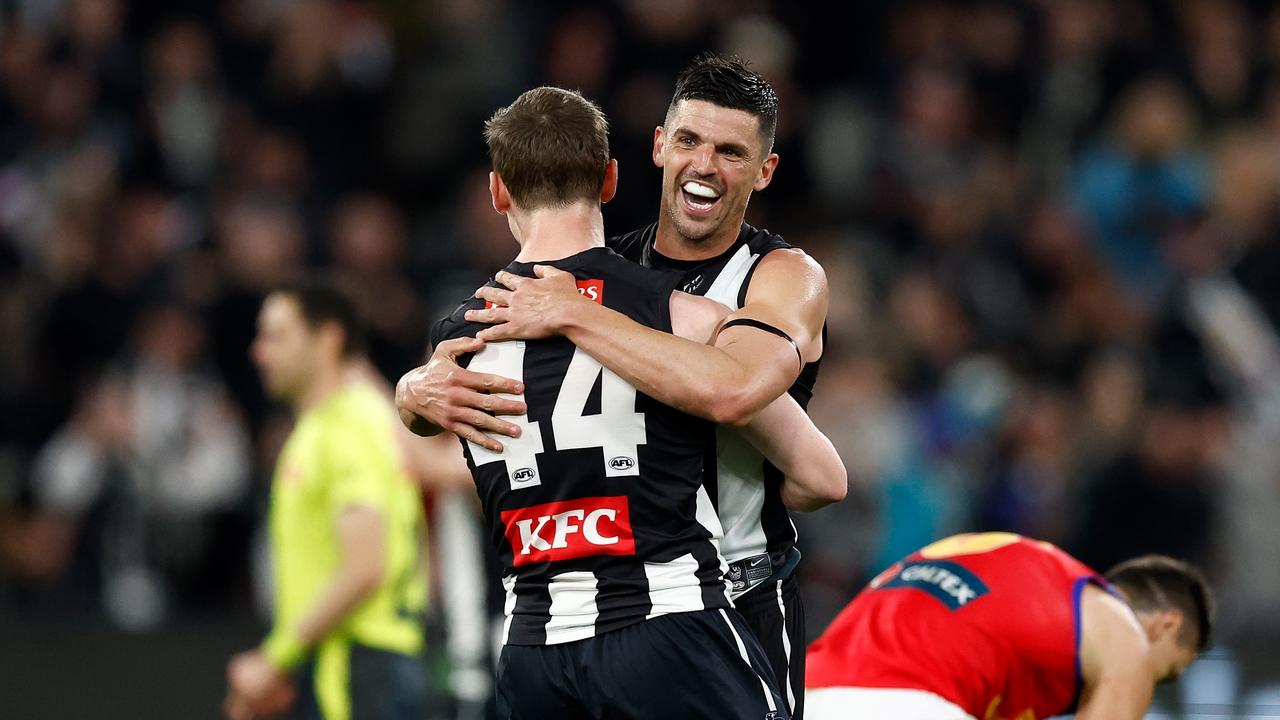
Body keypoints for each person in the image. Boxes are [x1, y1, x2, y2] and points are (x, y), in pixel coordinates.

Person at [396, 53, 831, 717]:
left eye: (731, 151)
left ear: (766, 169)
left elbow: (738, 390)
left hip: (736, 583)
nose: (705, 165)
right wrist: (413, 392)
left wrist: (576, 314)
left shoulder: (778, 276)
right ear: (651, 151)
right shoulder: (621, 276)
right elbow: (816, 474)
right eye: (688, 141)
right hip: (659, 602)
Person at [225, 281, 429, 720]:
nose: (259, 352)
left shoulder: (350, 424)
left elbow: (365, 566)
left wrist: (274, 658)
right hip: (350, 662)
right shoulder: (327, 424)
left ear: (328, 339)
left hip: (357, 666)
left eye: (277, 336)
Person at [804, 532, 1214, 720]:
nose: (1147, 685)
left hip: (805, 694)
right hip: (911, 703)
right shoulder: (1125, 629)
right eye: (1166, 673)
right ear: (1165, 625)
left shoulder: (1020, 562)